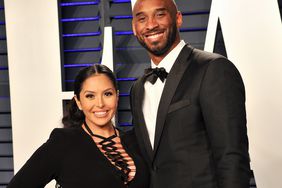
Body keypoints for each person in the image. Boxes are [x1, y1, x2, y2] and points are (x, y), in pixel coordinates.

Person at [130, 0, 251, 188]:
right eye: (142, 18)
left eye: (160, 15)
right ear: (134, 28)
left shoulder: (213, 69)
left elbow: (232, 157)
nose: (151, 25)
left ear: (178, 19)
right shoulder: (137, 89)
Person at [7, 64, 149, 188]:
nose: (100, 103)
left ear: (117, 97)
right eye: (90, 96)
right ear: (79, 101)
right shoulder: (63, 143)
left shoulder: (135, 141)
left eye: (107, 94)